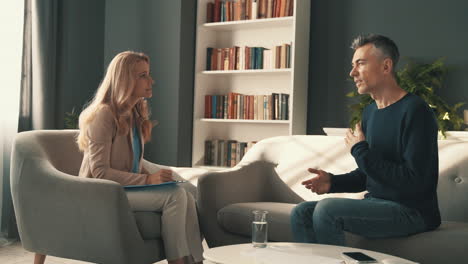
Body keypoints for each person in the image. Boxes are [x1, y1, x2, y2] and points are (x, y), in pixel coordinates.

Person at [34, 51, 203, 264]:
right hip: (100, 192)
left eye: (148, 74)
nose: (151, 81)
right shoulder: (104, 115)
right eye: (143, 75)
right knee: (175, 196)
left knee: (189, 193)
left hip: (123, 189)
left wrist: (157, 177)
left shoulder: (134, 114)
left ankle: (196, 261)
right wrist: (148, 180)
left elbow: (132, 163)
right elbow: (99, 172)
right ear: (125, 79)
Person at [290, 34, 441, 246]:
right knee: (301, 213)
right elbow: (370, 173)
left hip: (413, 212)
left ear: (386, 66)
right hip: (377, 203)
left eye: (360, 64)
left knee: (327, 210)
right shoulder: (370, 112)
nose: (352, 73)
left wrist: (360, 151)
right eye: (353, 65)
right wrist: (333, 182)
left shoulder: (416, 111)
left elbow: (414, 181)